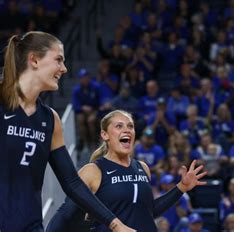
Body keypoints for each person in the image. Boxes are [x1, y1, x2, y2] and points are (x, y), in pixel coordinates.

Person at [0, 32, 134, 231]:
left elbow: (72, 183)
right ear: (34, 60)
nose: (64, 69)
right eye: (59, 60)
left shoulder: (50, 119)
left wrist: (114, 224)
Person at [46, 110, 207, 232]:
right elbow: (65, 215)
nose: (127, 130)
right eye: (119, 126)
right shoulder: (93, 171)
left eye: (130, 126)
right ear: (105, 135)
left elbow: (148, 211)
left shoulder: (142, 168)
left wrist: (181, 188)